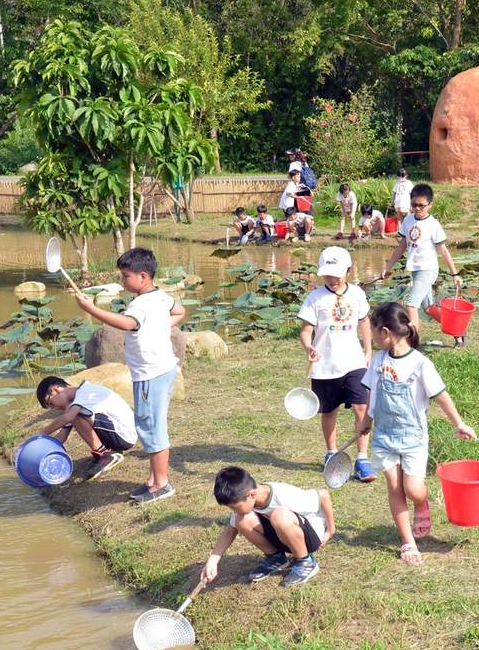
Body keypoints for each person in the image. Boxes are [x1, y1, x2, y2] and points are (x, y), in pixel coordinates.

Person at [357, 303, 475, 565]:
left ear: (385, 332)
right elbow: (372, 396)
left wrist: (459, 424)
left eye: (373, 330)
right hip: (384, 437)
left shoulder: (421, 363)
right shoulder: (378, 361)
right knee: (395, 487)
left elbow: (441, 397)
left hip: (413, 438)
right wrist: (365, 422)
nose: (371, 336)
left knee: (413, 489)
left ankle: (422, 504)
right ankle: (408, 542)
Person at [74, 248, 185, 504]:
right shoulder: (160, 297)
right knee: (151, 424)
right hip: (162, 370)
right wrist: (158, 329)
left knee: (151, 427)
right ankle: (154, 479)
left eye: (126, 276)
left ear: (143, 276)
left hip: (150, 374)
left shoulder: (141, 304)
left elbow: (128, 323)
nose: (123, 281)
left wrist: (91, 309)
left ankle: (162, 484)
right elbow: (179, 312)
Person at [298, 246, 376, 484]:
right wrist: (308, 347)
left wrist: (368, 349)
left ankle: (362, 459)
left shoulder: (358, 295)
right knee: (328, 411)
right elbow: (306, 330)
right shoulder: (315, 298)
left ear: (349, 271)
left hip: (354, 362)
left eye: (337, 274)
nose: (332, 279)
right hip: (325, 367)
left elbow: (364, 322)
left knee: (362, 408)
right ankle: (331, 452)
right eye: (328, 275)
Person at [200, 466, 334, 588]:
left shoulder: (283, 494)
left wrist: (330, 530)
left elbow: (323, 495)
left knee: (279, 515)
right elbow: (230, 531)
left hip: (310, 537)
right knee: (241, 521)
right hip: (284, 535)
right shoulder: (248, 501)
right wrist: (213, 560)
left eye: (234, 507)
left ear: (251, 495)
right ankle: (276, 559)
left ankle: (305, 562)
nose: (234, 511)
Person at [379, 183, 462, 340]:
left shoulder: (433, 225)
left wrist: (455, 274)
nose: (417, 208)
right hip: (415, 269)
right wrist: (388, 267)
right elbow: (401, 246)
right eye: (414, 204)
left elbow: (443, 250)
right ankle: (458, 331)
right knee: (429, 308)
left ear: (430, 205)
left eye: (421, 206)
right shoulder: (408, 220)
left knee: (411, 304)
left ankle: (412, 342)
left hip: (428, 269)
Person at [35, 375, 136, 481]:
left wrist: (40, 434)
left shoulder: (84, 392)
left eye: (51, 403)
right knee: (73, 412)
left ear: (54, 389)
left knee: (73, 413)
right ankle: (106, 453)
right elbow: (62, 436)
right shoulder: (76, 403)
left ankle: (104, 455)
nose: (54, 408)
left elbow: (69, 417)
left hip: (124, 435)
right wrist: (39, 453)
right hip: (116, 435)